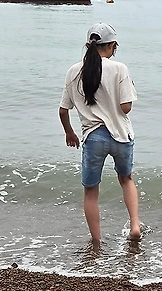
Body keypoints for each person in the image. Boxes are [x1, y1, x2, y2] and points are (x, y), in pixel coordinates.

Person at [59, 22, 140, 244]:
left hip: (93, 137)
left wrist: (69, 133)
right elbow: (126, 107)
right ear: (112, 45)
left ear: (88, 46)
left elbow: (63, 110)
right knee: (126, 179)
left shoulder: (74, 71)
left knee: (91, 191)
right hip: (120, 135)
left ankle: (96, 241)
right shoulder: (120, 69)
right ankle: (134, 226)